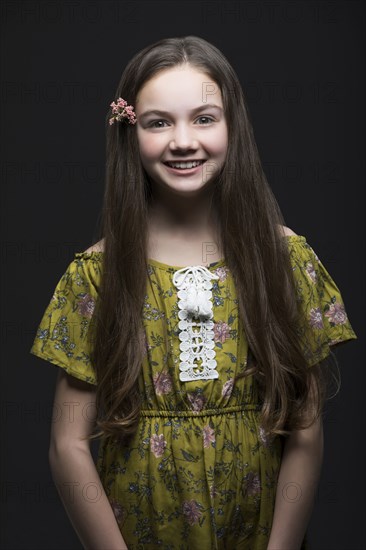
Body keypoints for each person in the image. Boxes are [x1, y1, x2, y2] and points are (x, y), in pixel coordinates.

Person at [30, 36, 357, 550]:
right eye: (159, 122)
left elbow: (307, 431)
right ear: (129, 131)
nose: (183, 141)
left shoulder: (285, 261)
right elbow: (66, 444)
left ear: (233, 126)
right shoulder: (97, 275)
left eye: (204, 118)